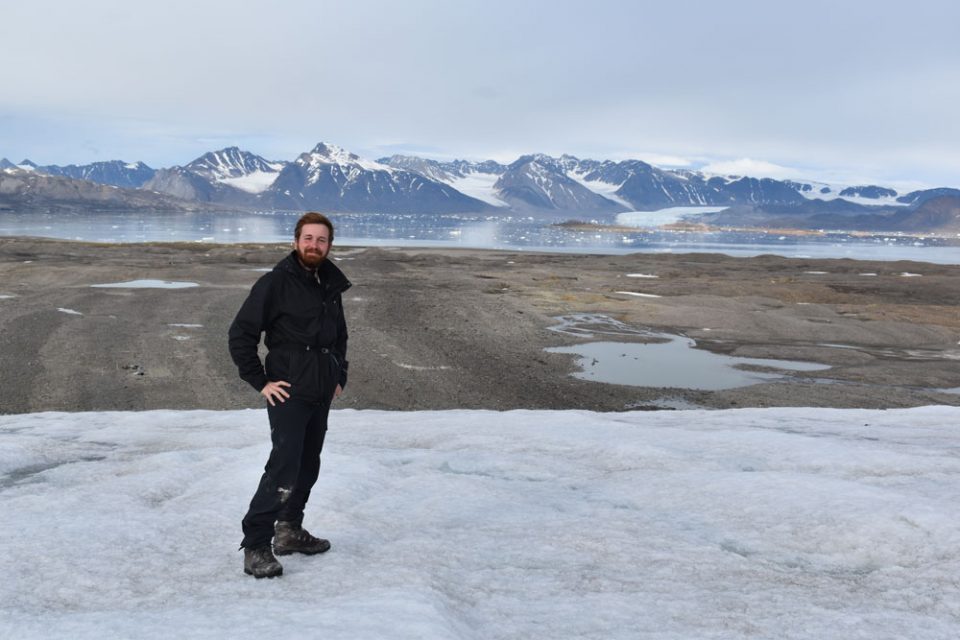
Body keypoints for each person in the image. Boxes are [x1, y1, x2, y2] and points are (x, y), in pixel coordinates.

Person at [228, 211, 351, 578]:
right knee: (284, 465)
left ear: (329, 245)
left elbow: (339, 336)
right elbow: (241, 334)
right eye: (309, 238)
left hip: (320, 391)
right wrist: (260, 381)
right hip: (288, 392)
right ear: (295, 240)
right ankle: (255, 545)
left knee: (308, 464)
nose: (315, 245)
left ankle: (290, 530)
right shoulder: (275, 283)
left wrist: (338, 374)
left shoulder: (329, 284)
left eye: (322, 240)